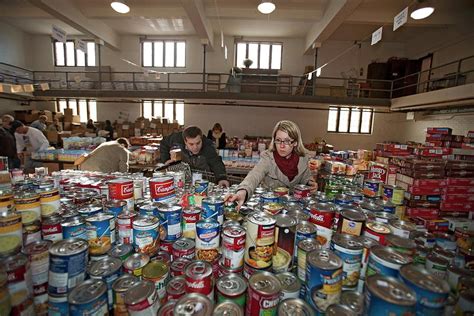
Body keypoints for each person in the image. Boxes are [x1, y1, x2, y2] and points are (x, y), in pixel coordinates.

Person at [226, 120, 317, 209]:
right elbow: (254, 175)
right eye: (278, 140)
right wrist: (242, 191)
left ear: (295, 143)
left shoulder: (303, 159)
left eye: (287, 141)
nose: (281, 146)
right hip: (269, 208)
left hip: (293, 208)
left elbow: (306, 178)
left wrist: (311, 183)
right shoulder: (268, 158)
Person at [160, 126, 229, 187]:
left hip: (201, 176)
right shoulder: (176, 138)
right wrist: (166, 159)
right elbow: (164, 142)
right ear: (185, 141)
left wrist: (222, 178)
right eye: (191, 144)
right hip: (183, 173)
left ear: (201, 139)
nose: (195, 147)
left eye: (198, 143)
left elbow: (216, 163)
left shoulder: (208, 146)